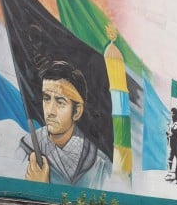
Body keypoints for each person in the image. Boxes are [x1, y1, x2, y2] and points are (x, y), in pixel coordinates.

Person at [22, 60, 111, 188]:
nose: (50, 111)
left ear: (77, 111)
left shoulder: (100, 165)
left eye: (60, 102)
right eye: (46, 99)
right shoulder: (25, 148)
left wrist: (41, 189)